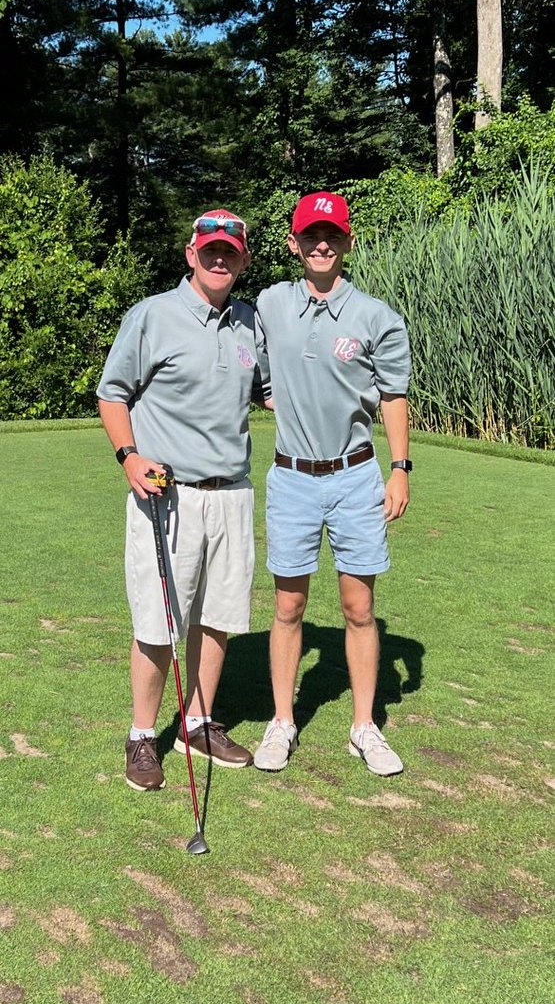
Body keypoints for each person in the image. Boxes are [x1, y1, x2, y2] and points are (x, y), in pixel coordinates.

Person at [97, 210, 269, 791]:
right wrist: (128, 456)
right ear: (191, 254)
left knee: (216, 617)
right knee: (156, 619)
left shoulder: (250, 323)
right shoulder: (152, 316)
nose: (220, 259)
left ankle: (197, 721)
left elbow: (270, 392)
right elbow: (112, 393)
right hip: (165, 494)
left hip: (233, 495)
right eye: (211, 249)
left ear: (243, 259)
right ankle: (143, 735)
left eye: (231, 251)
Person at [253, 191, 412, 777]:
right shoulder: (269, 303)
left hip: (356, 475)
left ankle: (364, 728)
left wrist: (401, 467)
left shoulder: (375, 315)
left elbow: (394, 394)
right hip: (291, 476)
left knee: (359, 606)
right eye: (311, 235)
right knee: (288, 605)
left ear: (346, 243)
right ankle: (281, 721)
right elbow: (247, 351)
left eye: (333, 235)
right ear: (294, 243)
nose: (322, 244)